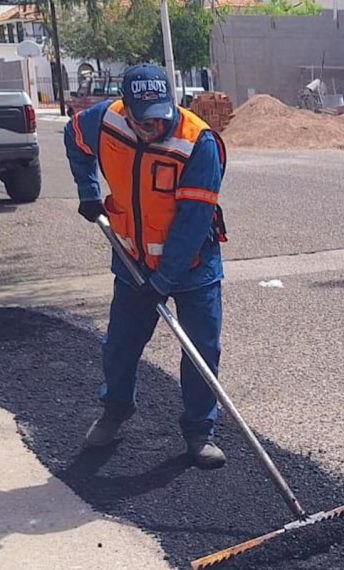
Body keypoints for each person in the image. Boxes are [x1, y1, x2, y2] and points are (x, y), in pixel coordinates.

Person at [64, 64, 229, 469]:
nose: (153, 126)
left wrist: (165, 278)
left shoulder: (198, 143)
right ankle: (115, 410)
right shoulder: (105, 121)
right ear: (127, 108)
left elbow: (194, 221)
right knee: (120, 345)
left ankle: (198, 431)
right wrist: (88, 190)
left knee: (201, 351)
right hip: (132, 259)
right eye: (144, 119)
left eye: (161, 116)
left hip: (192, 265)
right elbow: (74, 136)